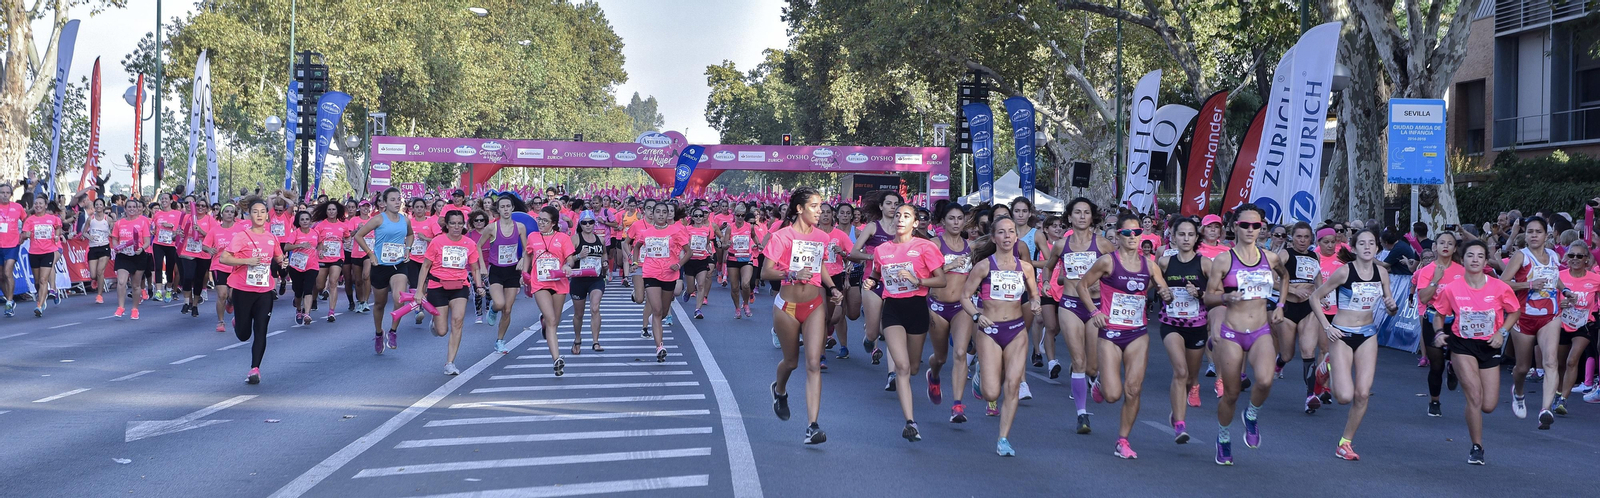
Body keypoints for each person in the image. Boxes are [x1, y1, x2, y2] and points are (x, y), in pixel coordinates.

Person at [1079, 213, 1171, 459]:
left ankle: (1123, 440)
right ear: (1118, 236)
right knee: (1112, 395)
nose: (1133, 237)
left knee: (1133, 389)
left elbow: (1162, 288)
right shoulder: (1108, 262)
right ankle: (1099, 382)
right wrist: (1094, 311)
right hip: (1110, 332)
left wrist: (1166, 295)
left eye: (1137, 232)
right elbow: (1082, 285)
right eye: (1128, 233)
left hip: (1137, 333)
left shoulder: (1150, 265)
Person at [1203, 204, 1286, 465]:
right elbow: (1207, 297)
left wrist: (1281, 306)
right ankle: (1223, 436)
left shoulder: (1271, 258)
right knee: (1231, 393)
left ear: (1262, 228)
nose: (1251, 230)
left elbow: (1285, 277)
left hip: (1261, 329)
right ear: (1235, 227)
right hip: (1232, 332)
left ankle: (1251, 415)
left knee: (1264, 381)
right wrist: (1225, 296)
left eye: (1256, 225)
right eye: (1245, 225)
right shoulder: (1224, 260)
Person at [1309, 228, 1397, 460]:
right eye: (1362, 244)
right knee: (1344, 397)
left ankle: (1345, 443)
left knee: (1362, 394)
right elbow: (1314, 297)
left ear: (1377, 248)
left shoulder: (1381, 273)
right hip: (1342, 334)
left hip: (1368, 334)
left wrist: (1391, 305)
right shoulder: (1344, 272)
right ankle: (1325, 368)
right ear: (1354, 248)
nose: (1367, 247)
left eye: (1371, 243)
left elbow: (1390, 306)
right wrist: (1328, 327)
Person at [763, 187, 843, 445]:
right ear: (799, 209)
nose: (820, 211)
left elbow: (819, 264)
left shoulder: (821, 236)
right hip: (787, 306)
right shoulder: (782, 236)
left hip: (814, 305)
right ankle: (779, 390)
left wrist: (832, 287)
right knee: (791, 362)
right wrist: (791, 275)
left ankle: (812, 426)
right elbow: (766, 272)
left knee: (812, 363)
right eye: (815, 206)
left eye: (821, 206)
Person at [957, 216, 1039, 456]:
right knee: (991, 392)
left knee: (1013, 385)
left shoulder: (1025, 267)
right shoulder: (984, 266)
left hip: (1016, 330)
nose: (1007, 237)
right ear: (993, 238)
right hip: (990, 331)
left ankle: (1003, 439)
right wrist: (975, 316)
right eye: (1001, 233)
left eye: (1011, 232)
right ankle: (979, 379)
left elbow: (1035, 294)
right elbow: (965, 296)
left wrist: (1035, 304)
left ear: (1016, 237)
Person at [866, 203, 947, 443]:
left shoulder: (925, 247)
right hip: (892, 309)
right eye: (898, 215)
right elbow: (876, 274)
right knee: (901, 367)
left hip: (916, 308)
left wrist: (917, 279)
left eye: (907, 216)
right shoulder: (882, 250)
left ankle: (930, 375)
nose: (901, 219)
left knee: (912, 368)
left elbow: (941, 280)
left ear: (915, 222)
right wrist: (870, 282)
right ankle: (910, 422)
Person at [1432, 240, 1516, 465]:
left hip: (1489, 345)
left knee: (1488, 405)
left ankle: (1452, 369)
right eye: (1470, 256)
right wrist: (1439, 332)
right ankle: (1476, 447)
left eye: (1480, 256)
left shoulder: (1499, 287)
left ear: (1486, 260)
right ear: (1464, 259)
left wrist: (1502, 332)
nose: (1475, 259)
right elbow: (1439, 314)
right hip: (1462, 345)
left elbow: (1514, 311)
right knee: (1475, 397)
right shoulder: (1452, 288)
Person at [1040, 197, 1111, 434]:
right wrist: (1046, 284)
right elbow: (1049, 265)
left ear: (1092, 217)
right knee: (1079, 361)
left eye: (1086, 212)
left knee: (1091, 366)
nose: (1082, 216)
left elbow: (1116, 271)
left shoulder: (1103, 244)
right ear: (1069, 217)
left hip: (1096, 305)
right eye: (1077, 212)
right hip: (1069, 304)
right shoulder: (1061, 245)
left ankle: (1093, 376)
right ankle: (1082, 415)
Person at [218, 197, 289, 384]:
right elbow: (224, 259)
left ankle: (255, 369)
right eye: (255, 212)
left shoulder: (272, 238)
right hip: (243, 289)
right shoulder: (241, 236)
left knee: (261, 330)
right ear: (249, 215)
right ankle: (236, 320)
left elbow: (279, 258)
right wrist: (246, 261)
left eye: (262, 212)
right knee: (244, 335)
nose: (259, 215)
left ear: (267, 215)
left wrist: (283, 263)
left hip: (264, 291)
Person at [1500, 216, 1561, 428]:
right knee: (1523, 368)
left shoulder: (1553, 256)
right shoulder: (1521, 256)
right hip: (1524, 316)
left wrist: (1567, 291)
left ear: (1547, 235)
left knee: (1550, 361)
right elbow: (1502, 284)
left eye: (1538, 232)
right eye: (1530, 232)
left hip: (1550, 315)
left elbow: (1556, 278)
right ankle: (1518, 392)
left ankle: (1545, 409)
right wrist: (1529, 284)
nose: (1533, 235)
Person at [1157, 216, 1210, 444]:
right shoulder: (1165, 263)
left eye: (1190, 234)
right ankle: (1180, 424)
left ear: (1197, 237)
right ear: (1173, 237)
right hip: (1171, 324)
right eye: (1181, 234)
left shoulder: (1206, 264)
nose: (1186, 238)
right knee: (1180, 371)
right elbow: (1152, 288)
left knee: (1189, 378)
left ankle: (1176, 411)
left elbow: (1216, 296)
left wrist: (1200, 294)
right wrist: (1163, 293)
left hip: (1197, 326)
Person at [418, 210, 485, 375]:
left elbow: (475, 268)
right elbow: (425, 266)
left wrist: (479, 286)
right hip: (437, 285)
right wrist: (420, 290)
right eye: (453, 223)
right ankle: (435, 322)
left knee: (458, 321)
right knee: (442, 331)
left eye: (459, 223)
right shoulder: (437, 242)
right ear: (446, 225)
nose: (456, 227)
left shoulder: (469, 244)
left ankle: (450, 363)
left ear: (464, 225)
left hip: (460, 285)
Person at [353, 188, 415, 354]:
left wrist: (408, 249)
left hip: (399, 264)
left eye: (399, 199)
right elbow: (358, 236)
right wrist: (370, 254)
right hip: (380, 265)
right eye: (393, 199)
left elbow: (410, 235)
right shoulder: (378, 219)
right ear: (384, 203)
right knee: (380, 304)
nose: (397, 202)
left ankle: (393, 331)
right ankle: (379, 333)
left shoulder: (405, 219)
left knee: (399, 298)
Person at [929, 203, 976, 422]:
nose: (956, 223)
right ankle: (934, 376)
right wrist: (948, 266)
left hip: (961, 308)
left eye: (959, 218)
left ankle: (957, 405)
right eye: (951, 219)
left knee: (959, 353)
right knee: (940, 357)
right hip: (937, 307)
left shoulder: (971, 247)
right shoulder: (934, 245)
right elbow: (922, 273)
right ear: (943, 222)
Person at [850, 191, 903, 373]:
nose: (892, 207)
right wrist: (873, 256)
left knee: (890, 328)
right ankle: (868, 337)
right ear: (881, 206)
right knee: (875, 333)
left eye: (896, 203)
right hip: (872, 282)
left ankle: (892, 374)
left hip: (896, 284)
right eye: (888, 203)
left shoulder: (903, 228)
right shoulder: (873, 227)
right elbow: (854, 253)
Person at [1414, 231, 1465, 417]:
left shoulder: (1461, 271)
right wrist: (1435, 280)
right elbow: (1423, 297)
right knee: (1436, 365)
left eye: (1449, 243)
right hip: (1433, 318)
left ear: (1454, 248)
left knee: (1455, 357)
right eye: (1441, 242)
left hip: (1456, 320)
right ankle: (1434, 401)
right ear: (1435, 246)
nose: (1445, 246)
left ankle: (1453, 367)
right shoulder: (1427, 271)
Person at [1279, 223, 1327, 412]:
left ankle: (1310, 395)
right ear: (1292, 237)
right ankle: (1279, 362)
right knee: (1288, 355)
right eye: (1299, 237)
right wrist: (1291, 289)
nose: (1302, 241)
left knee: (1308, 351)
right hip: (1288, 308)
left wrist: (1323, 297)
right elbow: (1271, 279)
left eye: (1306, 237)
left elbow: (1318, 280)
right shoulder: (1285, 254)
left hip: (1308, 308)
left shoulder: (1314, 256)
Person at [633, 202, 689, 361]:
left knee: (663, 311)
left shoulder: (676, 231)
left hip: (670, 274)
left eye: (664, 212)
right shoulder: (646, 232)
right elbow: (636, 247)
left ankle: (654, 321)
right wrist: (635, 263)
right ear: (652, 214)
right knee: (657, 310)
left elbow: (688, 252)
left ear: (668, 215)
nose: (661, 215)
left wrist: (678, 264)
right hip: (650, 273)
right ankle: (660, 347)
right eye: (657, 212)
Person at [1554, 241, 1599, 415]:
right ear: (1566, 257)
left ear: (1586, 259)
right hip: (1561, 323)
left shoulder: (1595, 279)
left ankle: (1563, 400)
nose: (1575, 259)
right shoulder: (1560, 276)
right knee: (1559, 363)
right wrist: (1561, 303)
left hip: (1584, 325)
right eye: (1571, 255)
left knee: (1572, 360)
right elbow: (1550, 299)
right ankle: (1558, 392)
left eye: (1579, 256)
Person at [478, 196, 527, 354]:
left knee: (507, 309)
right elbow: (478, 246)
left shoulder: (520, 227)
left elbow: (527, 249)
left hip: (512, 271)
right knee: (499, 304)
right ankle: (492, 309)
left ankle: (500, 341)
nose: (506, 209)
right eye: (502, 207)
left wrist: (523, 259)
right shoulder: (491, 228)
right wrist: (482, 267)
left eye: (508, 206)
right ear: (497, 210)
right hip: (497, 270)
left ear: (512, 208)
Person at [568, 210, 609, 354]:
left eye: (590, 222)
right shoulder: (575, 239)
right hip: (578, 280)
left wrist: (605, 263)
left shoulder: (600, 239)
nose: (588, 225)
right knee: (579, 314)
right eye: (584, 222)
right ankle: (577, 339)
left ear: (594, 223)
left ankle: (596, 342)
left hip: (596, 279)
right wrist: (579, 256)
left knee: (595, 308)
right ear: (580, 224)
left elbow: (604, 253)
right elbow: (567, 260)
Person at [20, 196, 64, 316]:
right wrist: (26, 235)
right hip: (34, 253)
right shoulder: (30, 220)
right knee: (37, 282)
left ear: (45, 206)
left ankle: (40, 304)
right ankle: (42, 297)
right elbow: (23, 236)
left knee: (43, 280)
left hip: (48, 252)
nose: (38, 205)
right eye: (36, 203)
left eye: (40, 203)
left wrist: (57, 236)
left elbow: (59, 228)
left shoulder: (52, 218)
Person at [112, 198, 153, 319]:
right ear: (125, 209)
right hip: (123, 256)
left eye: (134, 207)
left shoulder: (142, 222)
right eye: (129, 207)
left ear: (137, 209)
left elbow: (146, 241)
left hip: (138, 255)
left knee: (135, 285)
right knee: (121, 281)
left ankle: (135, 309)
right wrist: (116, 246)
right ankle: (121, 307)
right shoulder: (119, 223)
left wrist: (142, 248)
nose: (131, 209)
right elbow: (114, 238)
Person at [312, 200, 349, 322]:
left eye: (333, 209)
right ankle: (313, 298)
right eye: (329, 209)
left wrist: (347, 242)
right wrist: (319, 247)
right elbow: (314, 239)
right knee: (319, 285)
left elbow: (347, 237)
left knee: (333, 282)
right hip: (322, 258)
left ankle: (331, 312)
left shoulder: (342, 225)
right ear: (326, 211)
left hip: (337, 258)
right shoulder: (320, 225)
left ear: (337, 211)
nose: (331, 211)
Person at [205, 204, 241, 332]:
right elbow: (205, 245)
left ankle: (231, 303)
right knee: (222, 295)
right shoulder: (215, 230)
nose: (229, 214)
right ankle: (221, 322)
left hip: (236, 265)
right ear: (222, 214)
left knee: (233, 295)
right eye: (227, 211)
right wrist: (209, 249)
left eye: (232, 212)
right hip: (219, 265)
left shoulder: (240, 229)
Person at [175, 199, 213, 318]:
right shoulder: (188, 217)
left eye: (203, 206)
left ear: (207, 208)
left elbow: (213, 236)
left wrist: (201, 231)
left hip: (203, 253)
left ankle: (195, 305)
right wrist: (179, 233)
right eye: (198, 205)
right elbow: (180, 231)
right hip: (188, 251)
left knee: (198, 279)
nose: (200, 207)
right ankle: (187, 302)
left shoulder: (210, 220)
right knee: (188, 276)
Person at [283, 211, 320, 326]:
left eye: (307, 219)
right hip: (297, 266)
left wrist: (321, 251)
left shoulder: (315, 233)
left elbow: (319, 244)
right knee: (298, 291)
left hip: (312, 265)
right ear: (298, 222)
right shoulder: (295, 233)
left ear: (310, 221)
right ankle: (299, 309)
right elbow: (286, 247)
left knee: (308, 289)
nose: (305, 221)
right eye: (302, 219)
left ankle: (307, 314)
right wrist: (299, 245)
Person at [681, 206, 717, 318]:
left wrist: (709, 250)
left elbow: (707, 243)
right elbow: (683, 244)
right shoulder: (687, 229)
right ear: (692, 217)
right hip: (690, 260)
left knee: (701, 285)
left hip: (702, 259)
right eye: (696, 216)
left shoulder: (707, 229)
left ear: (704, 217)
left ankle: (698, 310)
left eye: (700, 216)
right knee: (692, 288)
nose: (698, 218)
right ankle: (688, 291)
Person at [0, 183, 25, 315]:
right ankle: (9, 298)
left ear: (11, 194)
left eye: (7, 193)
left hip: (12, 245)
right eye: (2, 192)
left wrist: (24, 234)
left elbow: (26, 220)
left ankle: (9, 302)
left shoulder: (17, 207)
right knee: (0, 276)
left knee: (7, 273)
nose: (4, 195)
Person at [84, 198, 113, 304]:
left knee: (100, 271)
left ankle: (99, 295)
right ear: (94, 207)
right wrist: (89, 236)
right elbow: (84, 232)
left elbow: (113, 231)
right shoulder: (90, 219)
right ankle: (95, 280)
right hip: (93, 247)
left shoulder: (107, 219)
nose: (99, 206)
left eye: (101, 204)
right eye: (97, 204)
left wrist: (111, 234)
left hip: (104, 247)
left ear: (104, 207)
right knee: (93, 275)